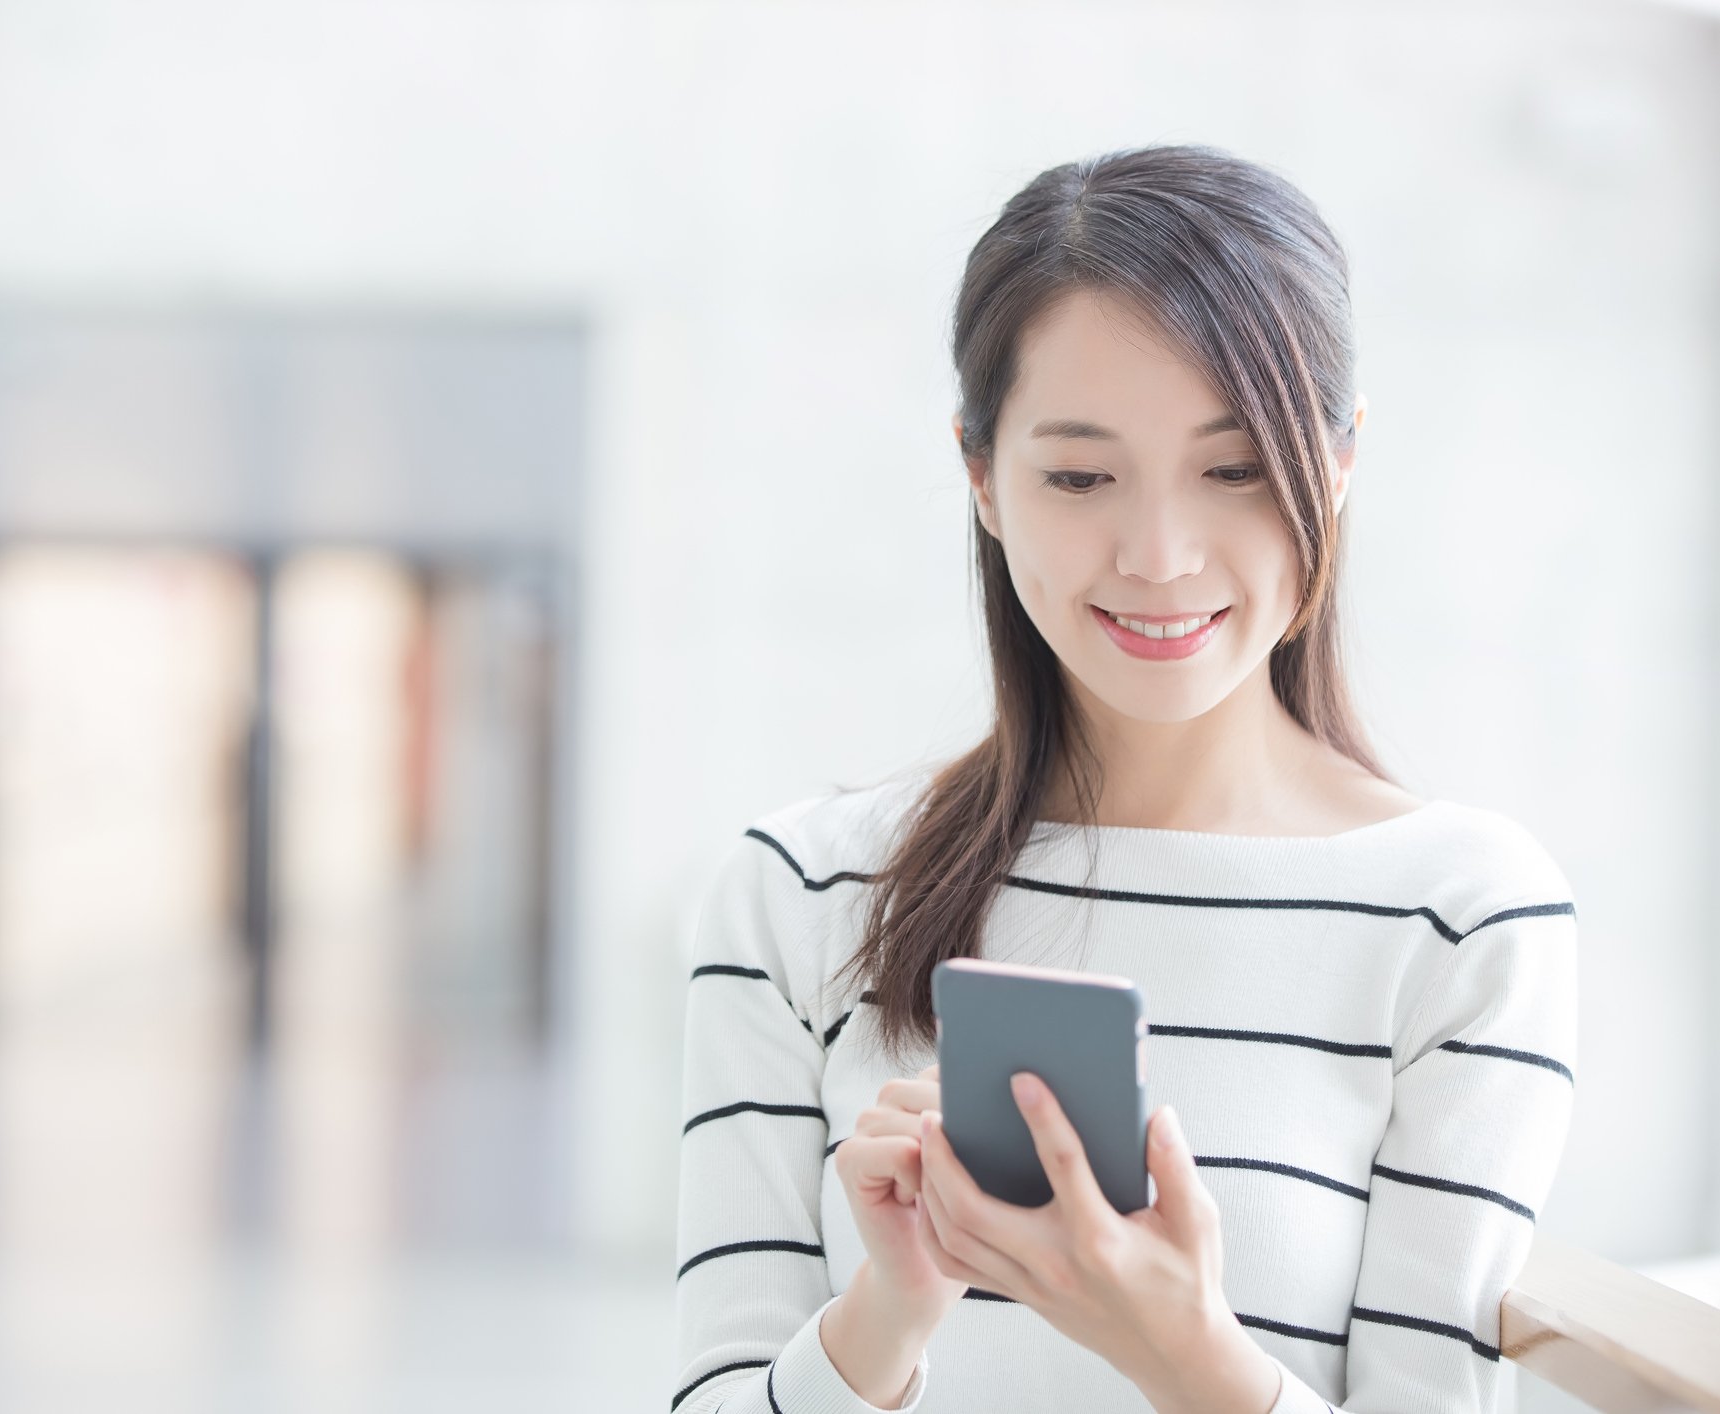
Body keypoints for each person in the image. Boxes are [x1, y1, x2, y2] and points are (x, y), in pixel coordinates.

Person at [670, 143, 1578, 1413]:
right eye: (1081, 476)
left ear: (1343, 458)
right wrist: (887, 1314)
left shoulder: (1461, 914)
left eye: (1236, 467)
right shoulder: (803, 891)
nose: (1158, 554)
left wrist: (1182, 1353)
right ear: (981, 477)